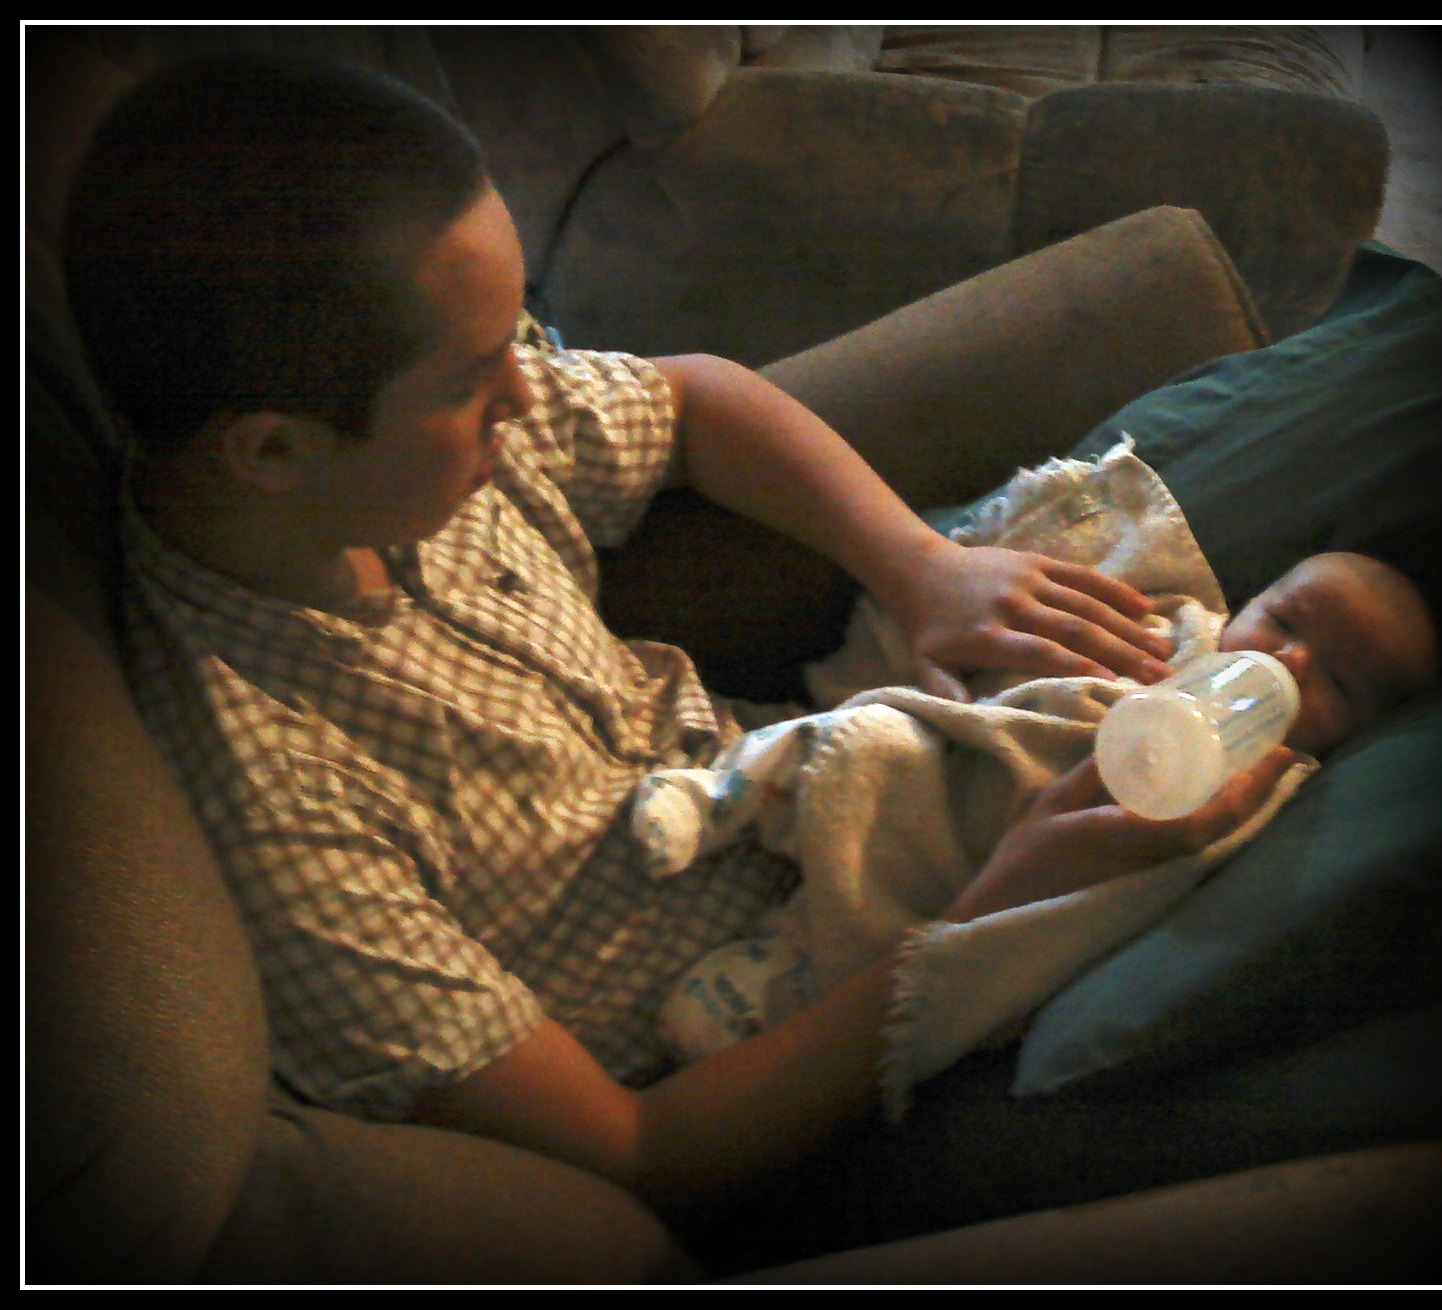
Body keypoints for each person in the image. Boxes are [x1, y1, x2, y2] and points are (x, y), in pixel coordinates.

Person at [65, 54, 1299, 1236]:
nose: (531, 389)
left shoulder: (411, 457)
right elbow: (637, 1149)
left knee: (1293, 501)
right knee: (1313, 893)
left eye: (519, 335)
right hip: (812, 1054)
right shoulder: (283, 812)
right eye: (476, 376)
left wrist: (921, 568)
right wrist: (992, 915)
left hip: (828, 784)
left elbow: (693, 395)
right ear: (272, 450)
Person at [641, 541, 1442, 1068]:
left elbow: (1125, 899)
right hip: (954, 765)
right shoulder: (1171, 635)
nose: (1291, 661)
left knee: (893, 915)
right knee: (871, 742)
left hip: (974, 861)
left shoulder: (1266, 795)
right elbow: (1030, 659)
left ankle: (770, 978)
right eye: (1285, 621)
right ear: (1249, 603)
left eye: (1339, 680)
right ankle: (715, 795)